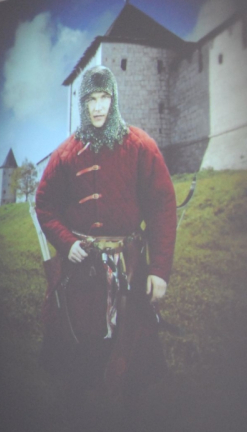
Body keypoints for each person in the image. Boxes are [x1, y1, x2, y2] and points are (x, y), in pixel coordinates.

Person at [34, 65, 176, 395]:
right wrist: (67, 243)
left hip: (129, 264)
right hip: (81, 267)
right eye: (91, 100)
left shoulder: (140, 146)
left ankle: (130, 411)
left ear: (114, 100)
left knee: (133, 346)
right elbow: (45, 205)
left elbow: (162, 208)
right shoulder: (66, 153)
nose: (98, 107)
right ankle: (82, 406)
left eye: (104, 98)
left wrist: (159, 270)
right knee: (79, 350)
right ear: (82, 104)